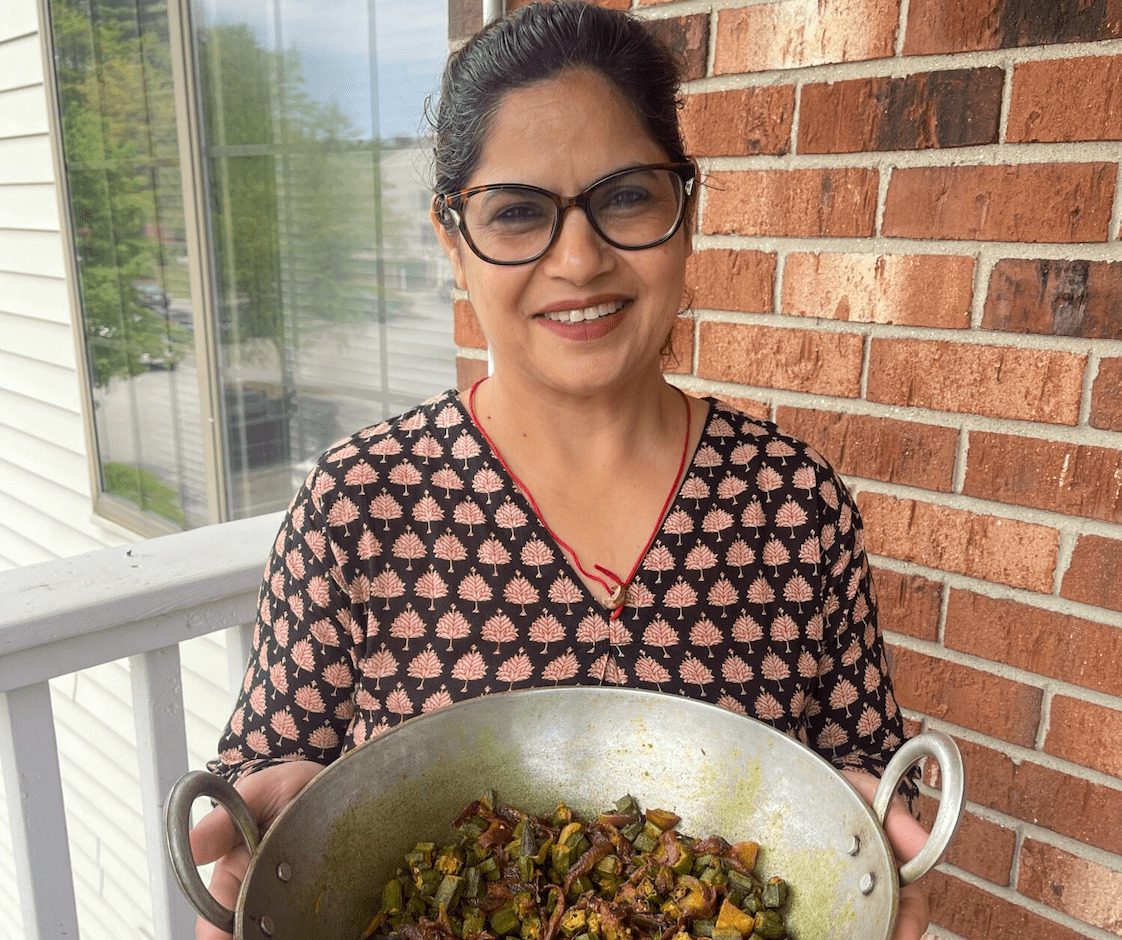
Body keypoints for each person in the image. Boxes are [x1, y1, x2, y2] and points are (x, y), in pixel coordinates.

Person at [189, 3, 930, 938]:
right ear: (453, 240)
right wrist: (261, 842)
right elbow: (265, 801)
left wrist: (876, 842)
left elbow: (863, 786)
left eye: (625, 196)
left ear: (685, 211)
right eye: (517, 213)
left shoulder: (796, 504)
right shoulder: (357, 502)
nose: (578, 259)